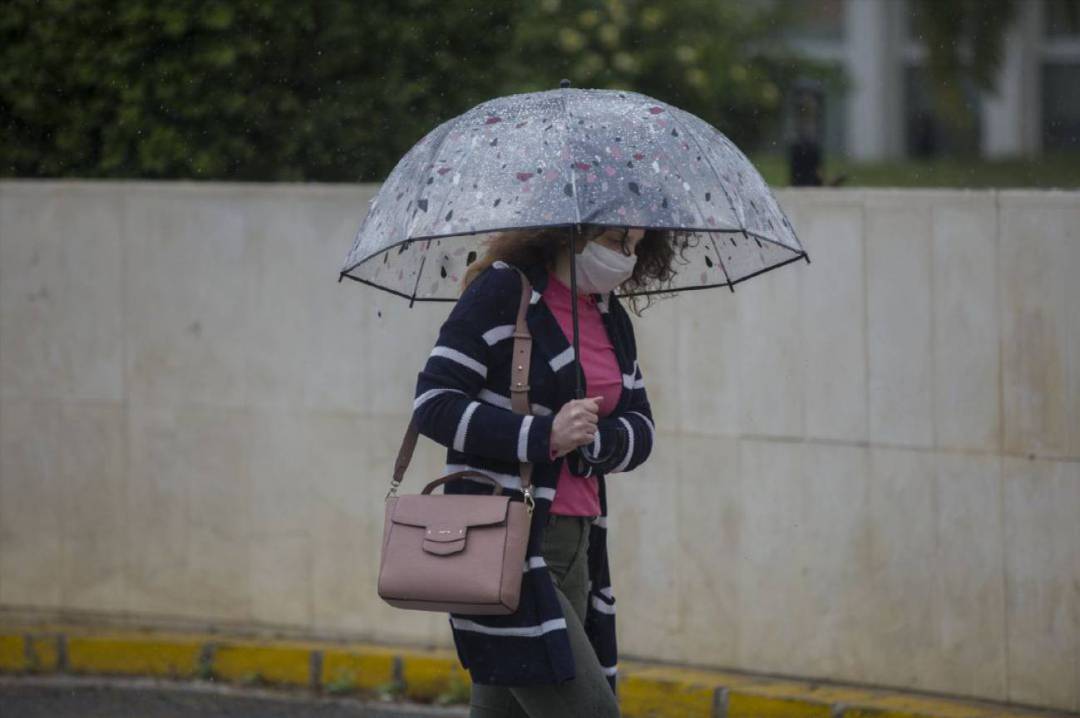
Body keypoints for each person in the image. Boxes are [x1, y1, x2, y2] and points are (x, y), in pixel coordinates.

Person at [409, 224, 674, 718]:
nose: (628, 259)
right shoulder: (504, 293)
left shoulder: (608, 313)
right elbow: (434, 403)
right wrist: (544, 435)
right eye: (619, 243)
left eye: (637, 248)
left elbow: (643, 427)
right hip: (507, 543)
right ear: (575, 233)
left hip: (579, 542)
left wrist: (596, 439)